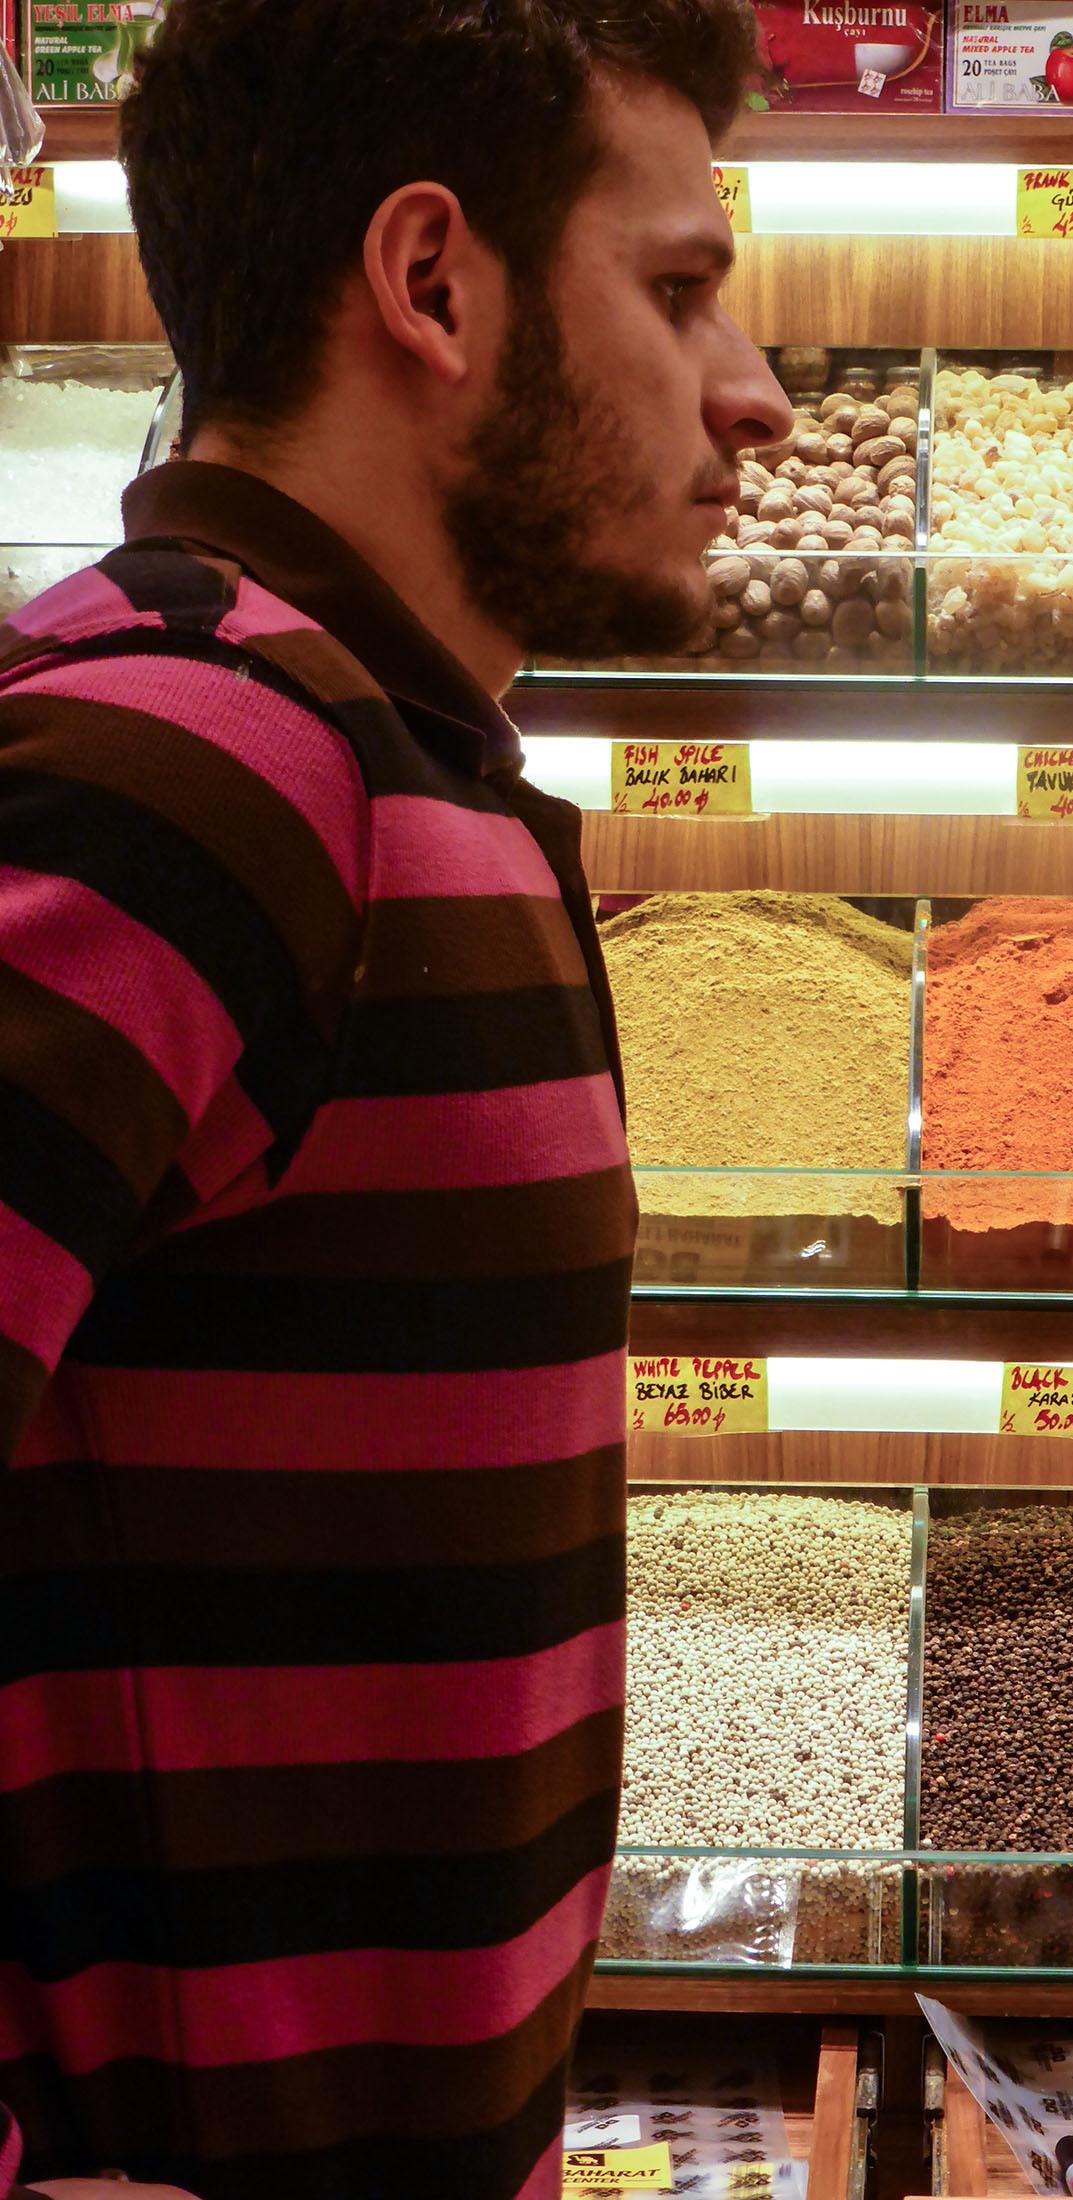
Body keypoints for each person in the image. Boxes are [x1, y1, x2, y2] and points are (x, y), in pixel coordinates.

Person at [0, 1, 791, 2194]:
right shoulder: (193, 768)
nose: (757, 390)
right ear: (431, 281)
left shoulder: (388, 759)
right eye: (679, 289)